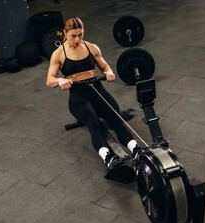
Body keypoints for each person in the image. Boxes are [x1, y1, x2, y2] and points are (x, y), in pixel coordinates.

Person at [46, 17, 139, 177]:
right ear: (65, 33)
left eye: (80, 35)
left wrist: (109, 72)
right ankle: (108, 158)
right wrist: (61, 80)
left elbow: (105, 66)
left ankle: (136, 150)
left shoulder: (91, 47)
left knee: (116, 119)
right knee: (93, 123)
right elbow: (49, 80)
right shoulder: (59, 53)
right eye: (73, 36)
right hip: (78, 97)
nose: (77, 39)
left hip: (98, 90)